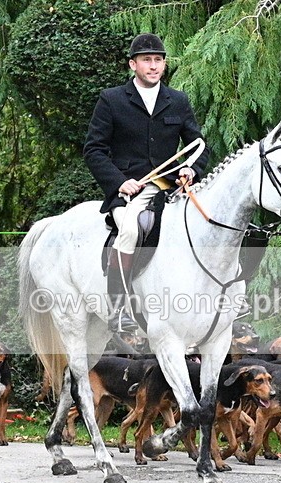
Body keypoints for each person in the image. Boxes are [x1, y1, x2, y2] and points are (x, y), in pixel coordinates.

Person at [84, 32, 210, 330]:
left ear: (164, 65)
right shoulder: (112, 99)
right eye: (146, 60)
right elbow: (94, 150)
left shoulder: (177, 100)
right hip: (131, 189)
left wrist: (191, 169)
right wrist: (119, 182)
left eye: (158, 60)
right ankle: (121, 307)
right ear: (133, 64)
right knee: (129, 230)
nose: (153, 66)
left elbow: (199, 145)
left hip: (171, 186)